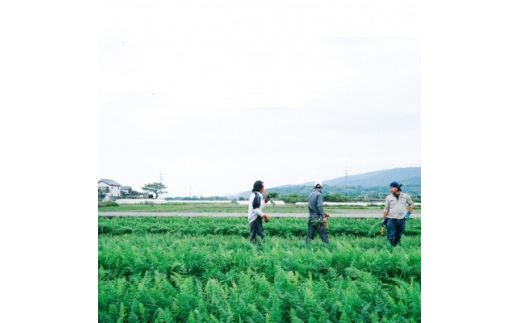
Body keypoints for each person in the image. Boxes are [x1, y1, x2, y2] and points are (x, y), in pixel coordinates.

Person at [382, 181, 414, 247]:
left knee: (398, 236)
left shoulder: (405, 196)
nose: (390, 189)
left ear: (397, 188)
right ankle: (389, 249)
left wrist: (408, 214)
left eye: (391, 188)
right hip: (391, 219)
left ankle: (396, 249)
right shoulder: (388, 197)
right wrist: (384, 218)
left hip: (402, 220)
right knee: (390, 235)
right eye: (390, 188)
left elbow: (411, 204)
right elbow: (386, 209)